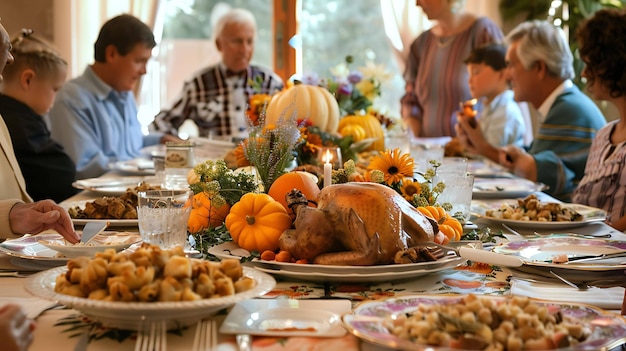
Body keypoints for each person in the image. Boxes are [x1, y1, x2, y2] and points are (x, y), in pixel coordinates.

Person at [459, 20, 606, 201]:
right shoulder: (565, 103)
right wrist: (480, 145)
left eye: (512, 65)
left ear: (539, 68)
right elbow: (534, 163)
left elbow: (539, 178)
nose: (508, 74)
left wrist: (482, 145)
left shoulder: (568, 110)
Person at [47, 14, 178, 179]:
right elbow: (86, 167)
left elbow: (130, 147)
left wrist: (161, 140)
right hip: (92, 200)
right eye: (139, 61)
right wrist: (151, 163)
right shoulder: (71, 99)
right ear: (112, 54)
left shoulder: (124, 93)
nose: (144, 71)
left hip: (129, 189)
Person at [151, 8, 284, 140]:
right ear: (219, 44)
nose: (245, 49)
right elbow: (159, 124)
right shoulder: (198, 84)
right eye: (237, 41)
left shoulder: (270, 82)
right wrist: (184, 147)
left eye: (249, 41)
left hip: (259, 160)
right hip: (214, 159)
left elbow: (291, 127)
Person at [401, 0, 503, 138]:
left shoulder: (482, 33)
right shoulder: (421, 43)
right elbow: (411, 99)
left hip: (473, 154)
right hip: (430, 154)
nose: (417, 3)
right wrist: (414, 142)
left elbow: (503, 94)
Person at [0, 29, 78, 202]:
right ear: (28, 79)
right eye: (55, 89)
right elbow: (60, 176)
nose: (55, 97)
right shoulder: (20, 125)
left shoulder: (23, 117)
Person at [572, 9, 626, 232]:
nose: (584, 73)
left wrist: (604, 232)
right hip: (580, 255)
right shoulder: (604, 135)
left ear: (611, 64)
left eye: (590, 64)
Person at [452, 43, 526, 161]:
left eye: (476, 72)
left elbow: (490, 157)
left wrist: (473, 137)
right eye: (469, 74)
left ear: (502, 73)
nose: (470, 80)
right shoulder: (486, 107)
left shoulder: (506, 112)